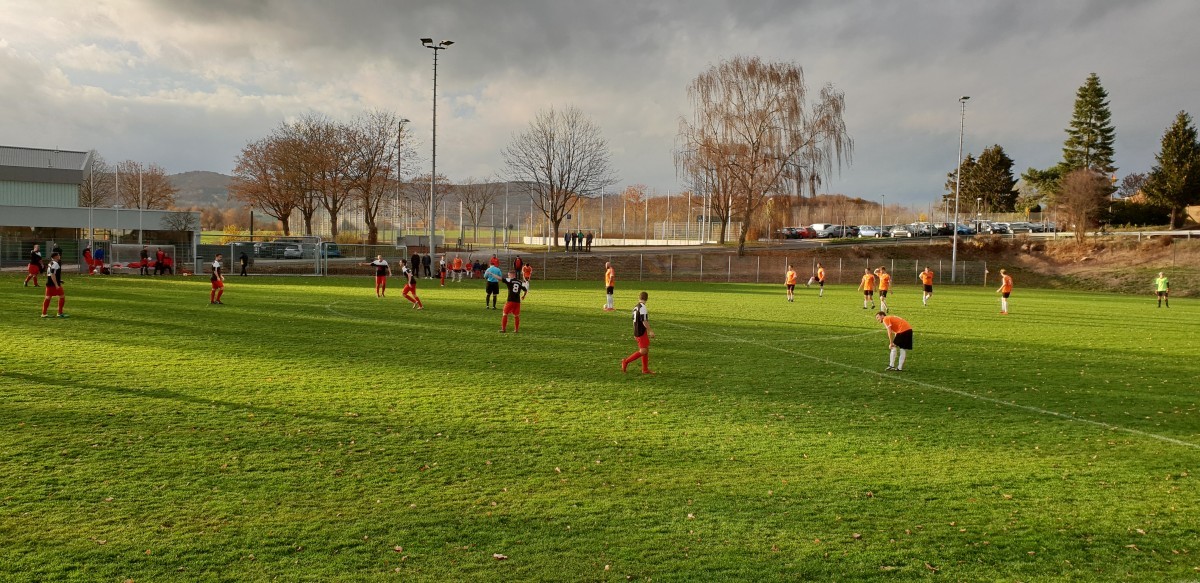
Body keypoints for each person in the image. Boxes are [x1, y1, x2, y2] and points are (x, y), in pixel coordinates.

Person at [620, 291, 655, 374]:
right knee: (643, 351)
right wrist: (650, 331)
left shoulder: (635, 307)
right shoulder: (643, 308)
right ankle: (626, 361)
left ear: (639, 298)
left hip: (638, 331)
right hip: (641, 332)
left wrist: (634, 331)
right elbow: (644, 321)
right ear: (647, 299)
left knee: (646, 349)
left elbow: (633, 321)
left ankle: (645, 369)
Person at [40, 251, 67, 318]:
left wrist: (59, 280)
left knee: (48, 297)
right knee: (62, 296)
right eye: (58, 255)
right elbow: (52, 274)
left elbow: (49, 274)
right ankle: (59, 313)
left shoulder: (50, 263)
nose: (59, 256)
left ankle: (44, 313)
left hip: (49, 283)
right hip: (54, 284)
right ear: (55, 256)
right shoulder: (55, 264)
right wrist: (56, 284)